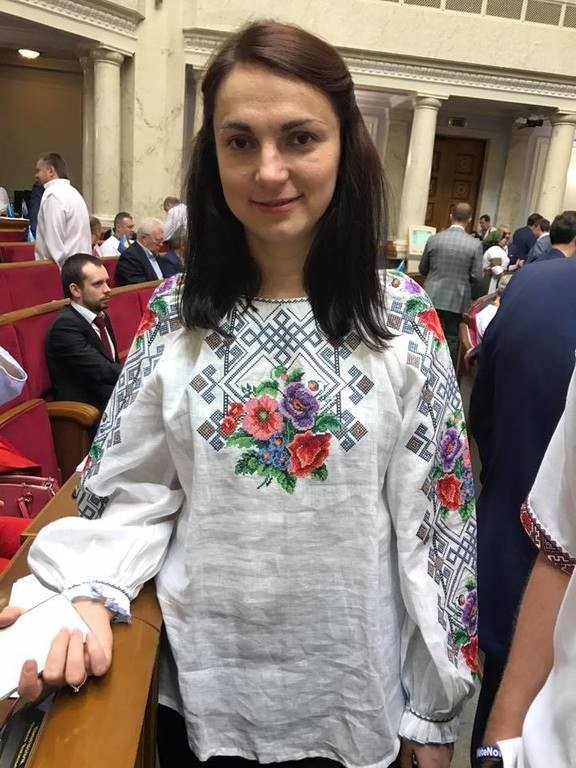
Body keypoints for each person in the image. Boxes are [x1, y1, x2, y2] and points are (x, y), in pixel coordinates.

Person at [5, 21, 477, 768]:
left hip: (354, 684)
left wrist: (433, 707)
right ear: (213, 157)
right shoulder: (175, 316)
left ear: (344, 147)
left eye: (300, 138)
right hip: (204, 684)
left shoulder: (400, 319)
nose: (268, 171)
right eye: (239, 141)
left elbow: (437, 521)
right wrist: (90, 591)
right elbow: (131, 490)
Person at [469, 254, 576, 761]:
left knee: (497, 724)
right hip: (542, 567)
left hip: (510, 548)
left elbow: (482, 410)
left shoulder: (533, 285)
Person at [45, 253, 121, 413]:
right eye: (98, 284)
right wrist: (147, 371)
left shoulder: (100, 315)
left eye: (107, 282)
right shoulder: (64, 328)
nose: (108, 290)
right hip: (87, 413)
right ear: (75, 290)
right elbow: (102, 371)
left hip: (112, 398)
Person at [418, 202, 483, 363]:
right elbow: (477, 276)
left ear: (450, 216)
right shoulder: (475, 244)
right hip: (457, 297)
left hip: (432, 294)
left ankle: (424, 364)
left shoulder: (434, 239)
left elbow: (422, 268)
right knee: (452, 337)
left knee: (427, 332)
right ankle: (447, 370)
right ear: (470, 219)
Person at [34, 153, 91, 268]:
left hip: (64, 270)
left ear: (51, 171)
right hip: (81, 265)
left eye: (38, 170)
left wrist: (56, 270)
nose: (36, 175)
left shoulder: (53, 195)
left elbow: (53, 242)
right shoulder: (74, 193)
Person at [115, 217, 169, 285]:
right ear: (144, 238)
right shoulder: (129, 258)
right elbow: (141, 287)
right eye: (158, 240)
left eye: (162, 241)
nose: (161, 244)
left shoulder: (154, 252)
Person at [482, 226, 511, 294]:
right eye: (504, 238)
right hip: (490, 282)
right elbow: (497, 268)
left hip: (494, 280)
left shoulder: (499, 249)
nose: (506, 240)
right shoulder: (495, 249)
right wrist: (507, 280)